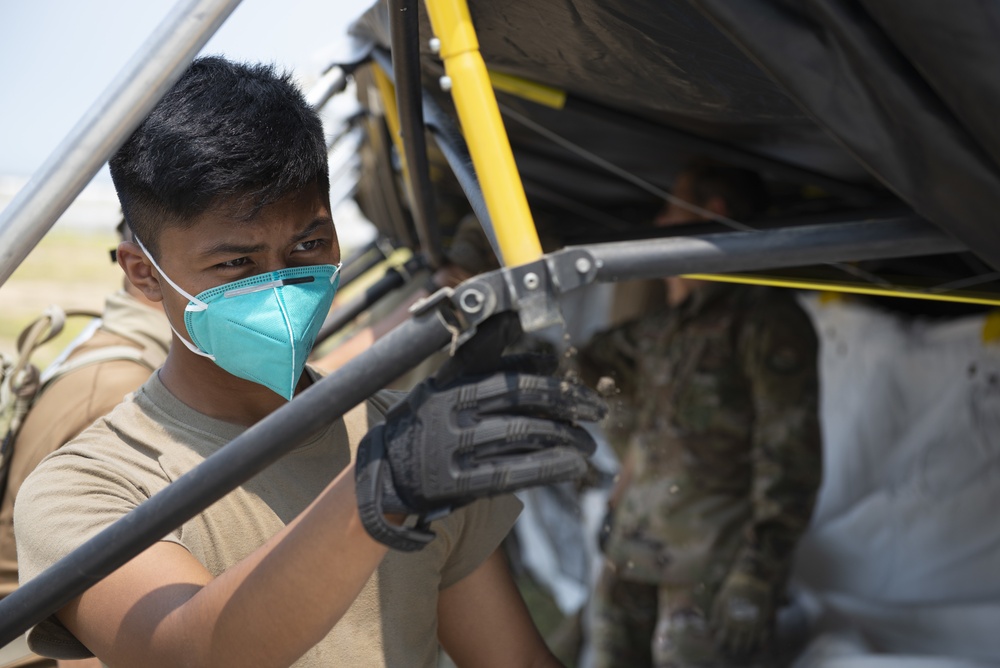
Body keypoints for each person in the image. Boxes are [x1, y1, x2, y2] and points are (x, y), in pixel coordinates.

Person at [13, 56, 604, 667]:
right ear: (144, 273)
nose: (281, 284)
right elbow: (193, 653)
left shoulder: (407, 439)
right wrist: (380, 488)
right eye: (234, 264)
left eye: (308, 245)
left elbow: (514, 661)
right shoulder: (88, 488)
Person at [580, 161, 823, 667]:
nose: (658, 225)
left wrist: (757, 576)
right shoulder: (664, 328)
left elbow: (790, 463)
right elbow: (584, 364)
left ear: (709, 211)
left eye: (669, 209)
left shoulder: (765, 322)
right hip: (632, 558)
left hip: (708, 573)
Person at [0, 223, 170, 668]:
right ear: (144, 269)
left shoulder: (119, 344)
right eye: (234, 260)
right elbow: (103, 634)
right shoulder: (124, 392)